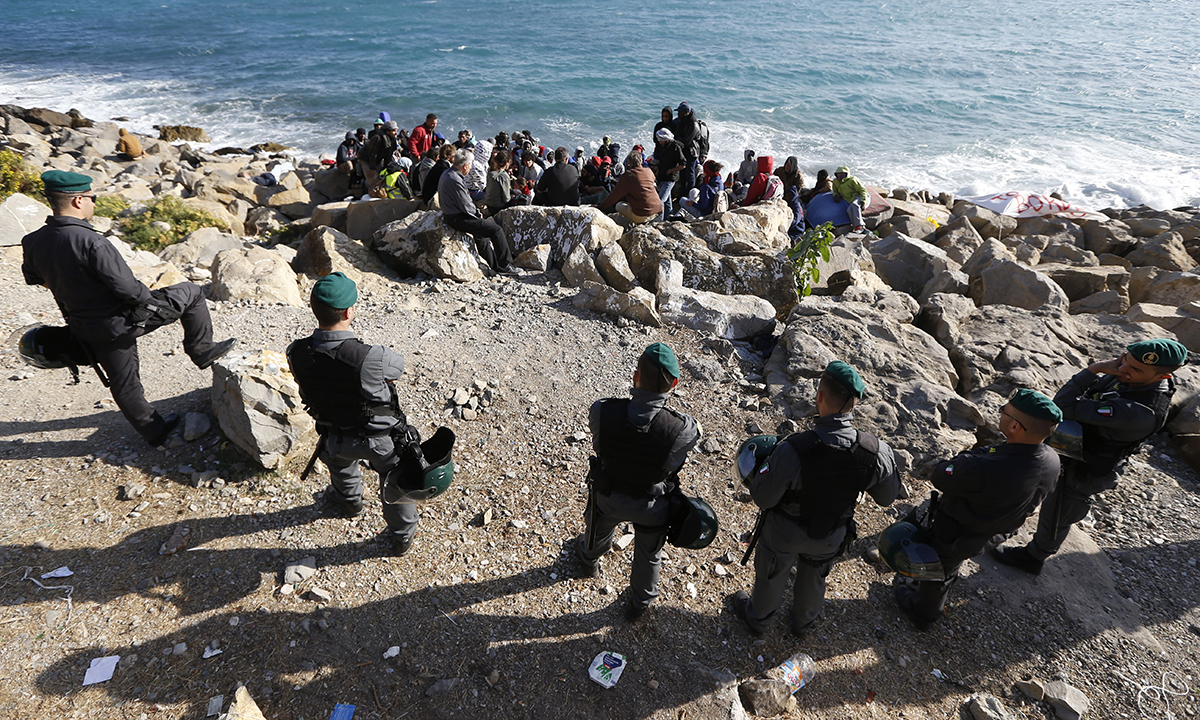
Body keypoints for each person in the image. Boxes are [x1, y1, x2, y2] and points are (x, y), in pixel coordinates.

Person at [21, 171, 236, 445]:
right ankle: (202, 351)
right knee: (192, 293)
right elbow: (128, 290)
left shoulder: (33, 240)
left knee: (123, 383)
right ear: (77, 201)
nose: (93, 202)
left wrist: (74, 289)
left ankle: (155, 431)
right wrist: (149, 299)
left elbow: (35, 279)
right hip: (121, 320)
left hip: (85, 326)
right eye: (91, 197)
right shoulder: (93, 241)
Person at [731, 361, 900, 637]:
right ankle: (804, 623)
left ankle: (759, 620)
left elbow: (764, 498)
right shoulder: (875, 452)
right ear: (854, 405)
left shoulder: (793, 448)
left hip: (785, 532)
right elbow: (887, 497)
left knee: (772, 571)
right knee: (815, 573)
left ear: (819, 395)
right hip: (831, 533)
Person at [991, 340, 1187, 575]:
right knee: (1030, 487)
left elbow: (1062, 407)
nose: (1124, 369)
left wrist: (1093, 369)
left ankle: (1033, 557)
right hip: (1070, 448)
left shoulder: (1140, 411)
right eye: (1125, 360)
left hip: (1087, 468)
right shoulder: (1130, 376)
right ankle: (1007, 525)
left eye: (1136, 369)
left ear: (1162, 377)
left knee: (1057, 513)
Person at [895, 390, 1062, 629]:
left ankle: (924, 613)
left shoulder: (983, 466)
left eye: (1004, 410)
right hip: (996, 531)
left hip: (958, 533)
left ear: (1015, 426)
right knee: (952, 563)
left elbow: (941, 476)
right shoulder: (1052, 460)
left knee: (940, 570)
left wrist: (963, 460)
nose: (1001, 411)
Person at [286, 273, 421, 557]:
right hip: (380, 441)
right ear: (349, 311)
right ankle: (402, 537)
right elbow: (398, 368)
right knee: (395, 480)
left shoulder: (295, 351)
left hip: (333, 435)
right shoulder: (371, 356)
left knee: (340, 464)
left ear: (314, 310)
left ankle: (348, 501)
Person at [577, 343, 701, 621]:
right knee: (649, 553)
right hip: (652, 505)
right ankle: (639, 603)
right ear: (674, 384)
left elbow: (600, 447)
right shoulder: (682, 429)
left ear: (635, 376)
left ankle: (590, 560)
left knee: (598, 526)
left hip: (609, 496)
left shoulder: (601, 411)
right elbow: (682, 451)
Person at [438, 148, 519, 276]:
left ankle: (495, 266)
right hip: (457, 218)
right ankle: (505, 265)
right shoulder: (455, 180)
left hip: (451, 214)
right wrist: (477, 214)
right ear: (465, 166)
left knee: (481, 235)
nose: (470, 168)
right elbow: (465, 205)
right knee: (495, 230)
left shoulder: (448, 173)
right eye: (470, 165)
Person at [597, 150, 663, 225]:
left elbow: (614, 196)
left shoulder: (629, 175)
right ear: (641, 161)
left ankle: (631, 224)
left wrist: (600, 207)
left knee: (619, 205)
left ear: (629, 163)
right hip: (657, 209)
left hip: (642, 215)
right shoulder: (648, 171)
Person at [651, 128, 685, 221]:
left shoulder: (675, 147)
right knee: (667, 200)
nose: (660, 143)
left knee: (660, 200)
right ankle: (669, 217)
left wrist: (671, 171)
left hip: (670, 178)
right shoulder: (664, 147)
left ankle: (658, 220)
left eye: (661, 141)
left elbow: (683, 165)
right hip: (663, 176)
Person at [360, 120, 400, 196]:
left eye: (396, 130)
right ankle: (372, 194)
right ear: (387, 132)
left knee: (382, 176)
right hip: (366, 158)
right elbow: (372, 154)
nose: (396, 133)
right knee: (372, 177)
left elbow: (389, 155)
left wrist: (387, 169)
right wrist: (372, 168)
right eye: (393, 131)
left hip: (378, 158)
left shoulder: (393, 139)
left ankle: (381, 193)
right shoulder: (377, 138)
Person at [775, 156, 806, 239]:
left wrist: (791, 196)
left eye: (789, 166)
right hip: (780, 194)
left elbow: (799, 188)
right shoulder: (780, 171)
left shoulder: (797, 175)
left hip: (792, 195)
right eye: (786, 165)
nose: (786, 167)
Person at [831, 166, 868, 231]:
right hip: (849, 200)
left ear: (846, 174)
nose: (839, 176)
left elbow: (863, 190)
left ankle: (861, 226)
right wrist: (836, 195)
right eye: (838, 174)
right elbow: (835, 191)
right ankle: (856, 227)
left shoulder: (852, 180)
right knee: (849, 210)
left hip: (859, 196)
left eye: (841, 174)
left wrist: (863, 201)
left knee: (854, 205)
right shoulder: (835, 182)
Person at [483, 148, 516, 216]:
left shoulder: (490, 171)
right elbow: (506, 199)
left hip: (489, 204)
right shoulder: (503, 176)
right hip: (498, 206)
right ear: (507, 162)